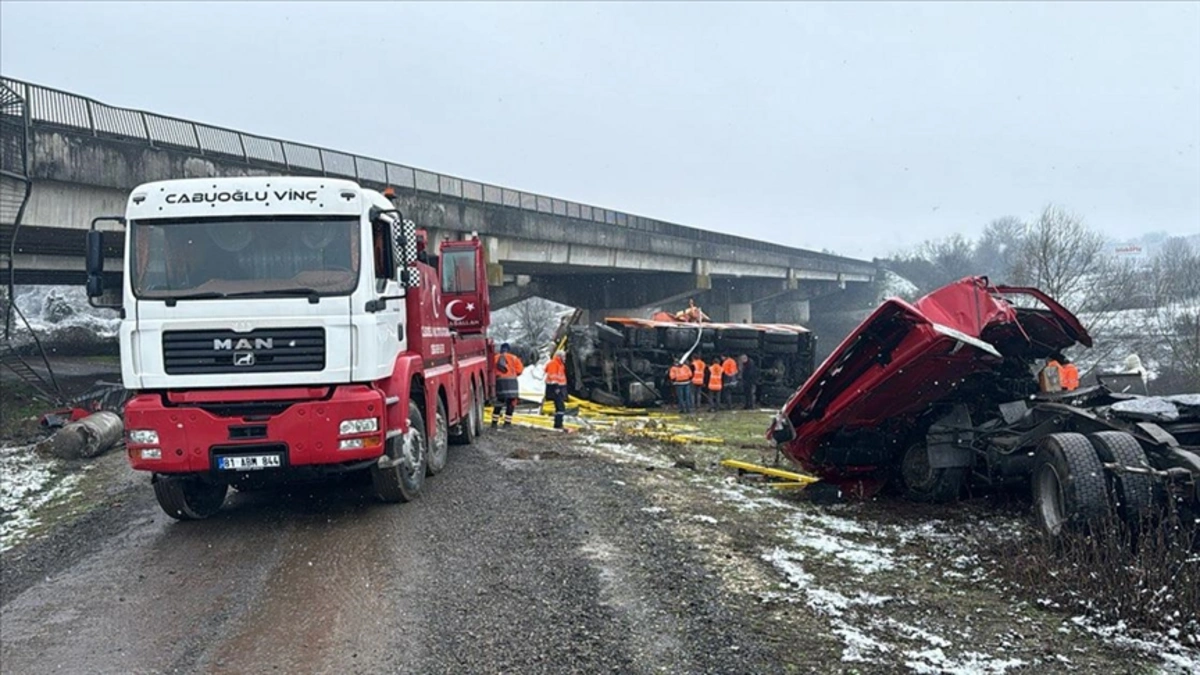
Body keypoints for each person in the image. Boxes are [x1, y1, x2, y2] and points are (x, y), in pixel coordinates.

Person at [492, 343, 524, 428]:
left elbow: (491, 371)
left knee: (499, 402)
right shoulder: (514, 358)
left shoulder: (495, 358)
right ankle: (507, 423)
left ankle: (494, 422)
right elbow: (520, 370)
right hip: (512, 383)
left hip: (500, 382)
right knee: (511, 403)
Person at [544, 349, 568, 430]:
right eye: (564, 356)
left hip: (559, 388)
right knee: (560, 407)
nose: (565, 358)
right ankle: (558, 425)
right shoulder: (554, 364)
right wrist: (556, 387)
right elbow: (552, 376)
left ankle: (558, 424)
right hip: (555, 388)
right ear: (559, 356)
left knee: (560, 407)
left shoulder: (559, 364)